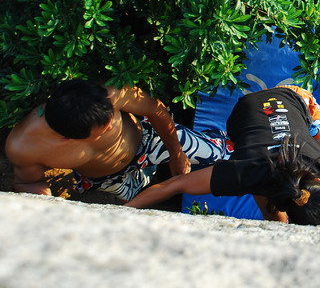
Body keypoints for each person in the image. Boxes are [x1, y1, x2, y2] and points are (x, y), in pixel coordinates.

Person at [125, 86, 320, 232]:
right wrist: (118, 215)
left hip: (279, 108)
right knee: (272, 213)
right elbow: (173, 185)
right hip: (266, 106)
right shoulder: (249, 174)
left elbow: (173, 185)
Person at [4, 80, 230, 201]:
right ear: (66, 138)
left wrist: (176, 152)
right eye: (103, 131)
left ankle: (219, 143)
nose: (112, 127)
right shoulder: (25, 147)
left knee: (220, 154)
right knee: (140, 200)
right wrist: (48, 206)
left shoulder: (110, 93)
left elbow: (156, 110)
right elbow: (29, 183)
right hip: (107, 178)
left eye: (111, 119)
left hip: (150, 140)